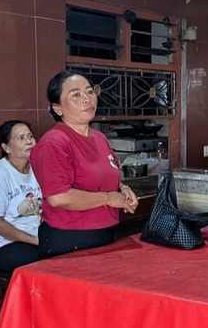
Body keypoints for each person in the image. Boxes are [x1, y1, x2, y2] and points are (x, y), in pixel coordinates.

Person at [30, 71, 138, 258]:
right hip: (69, 239)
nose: (87, 99)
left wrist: (123, 189)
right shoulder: (53, 143)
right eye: (76, 95)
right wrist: (109, 198)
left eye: (89, 91)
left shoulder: (100, 138)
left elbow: (105, 175)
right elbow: (59, 197)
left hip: (105, 232)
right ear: (58, 108)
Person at [0, 120, 42, 277]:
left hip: (32, 238)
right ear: (6, 148)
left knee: (66, 249)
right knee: (45, 261)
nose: (29, 141)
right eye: (21, 138)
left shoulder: (37, 168)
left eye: (30, 136)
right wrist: (34, 240)